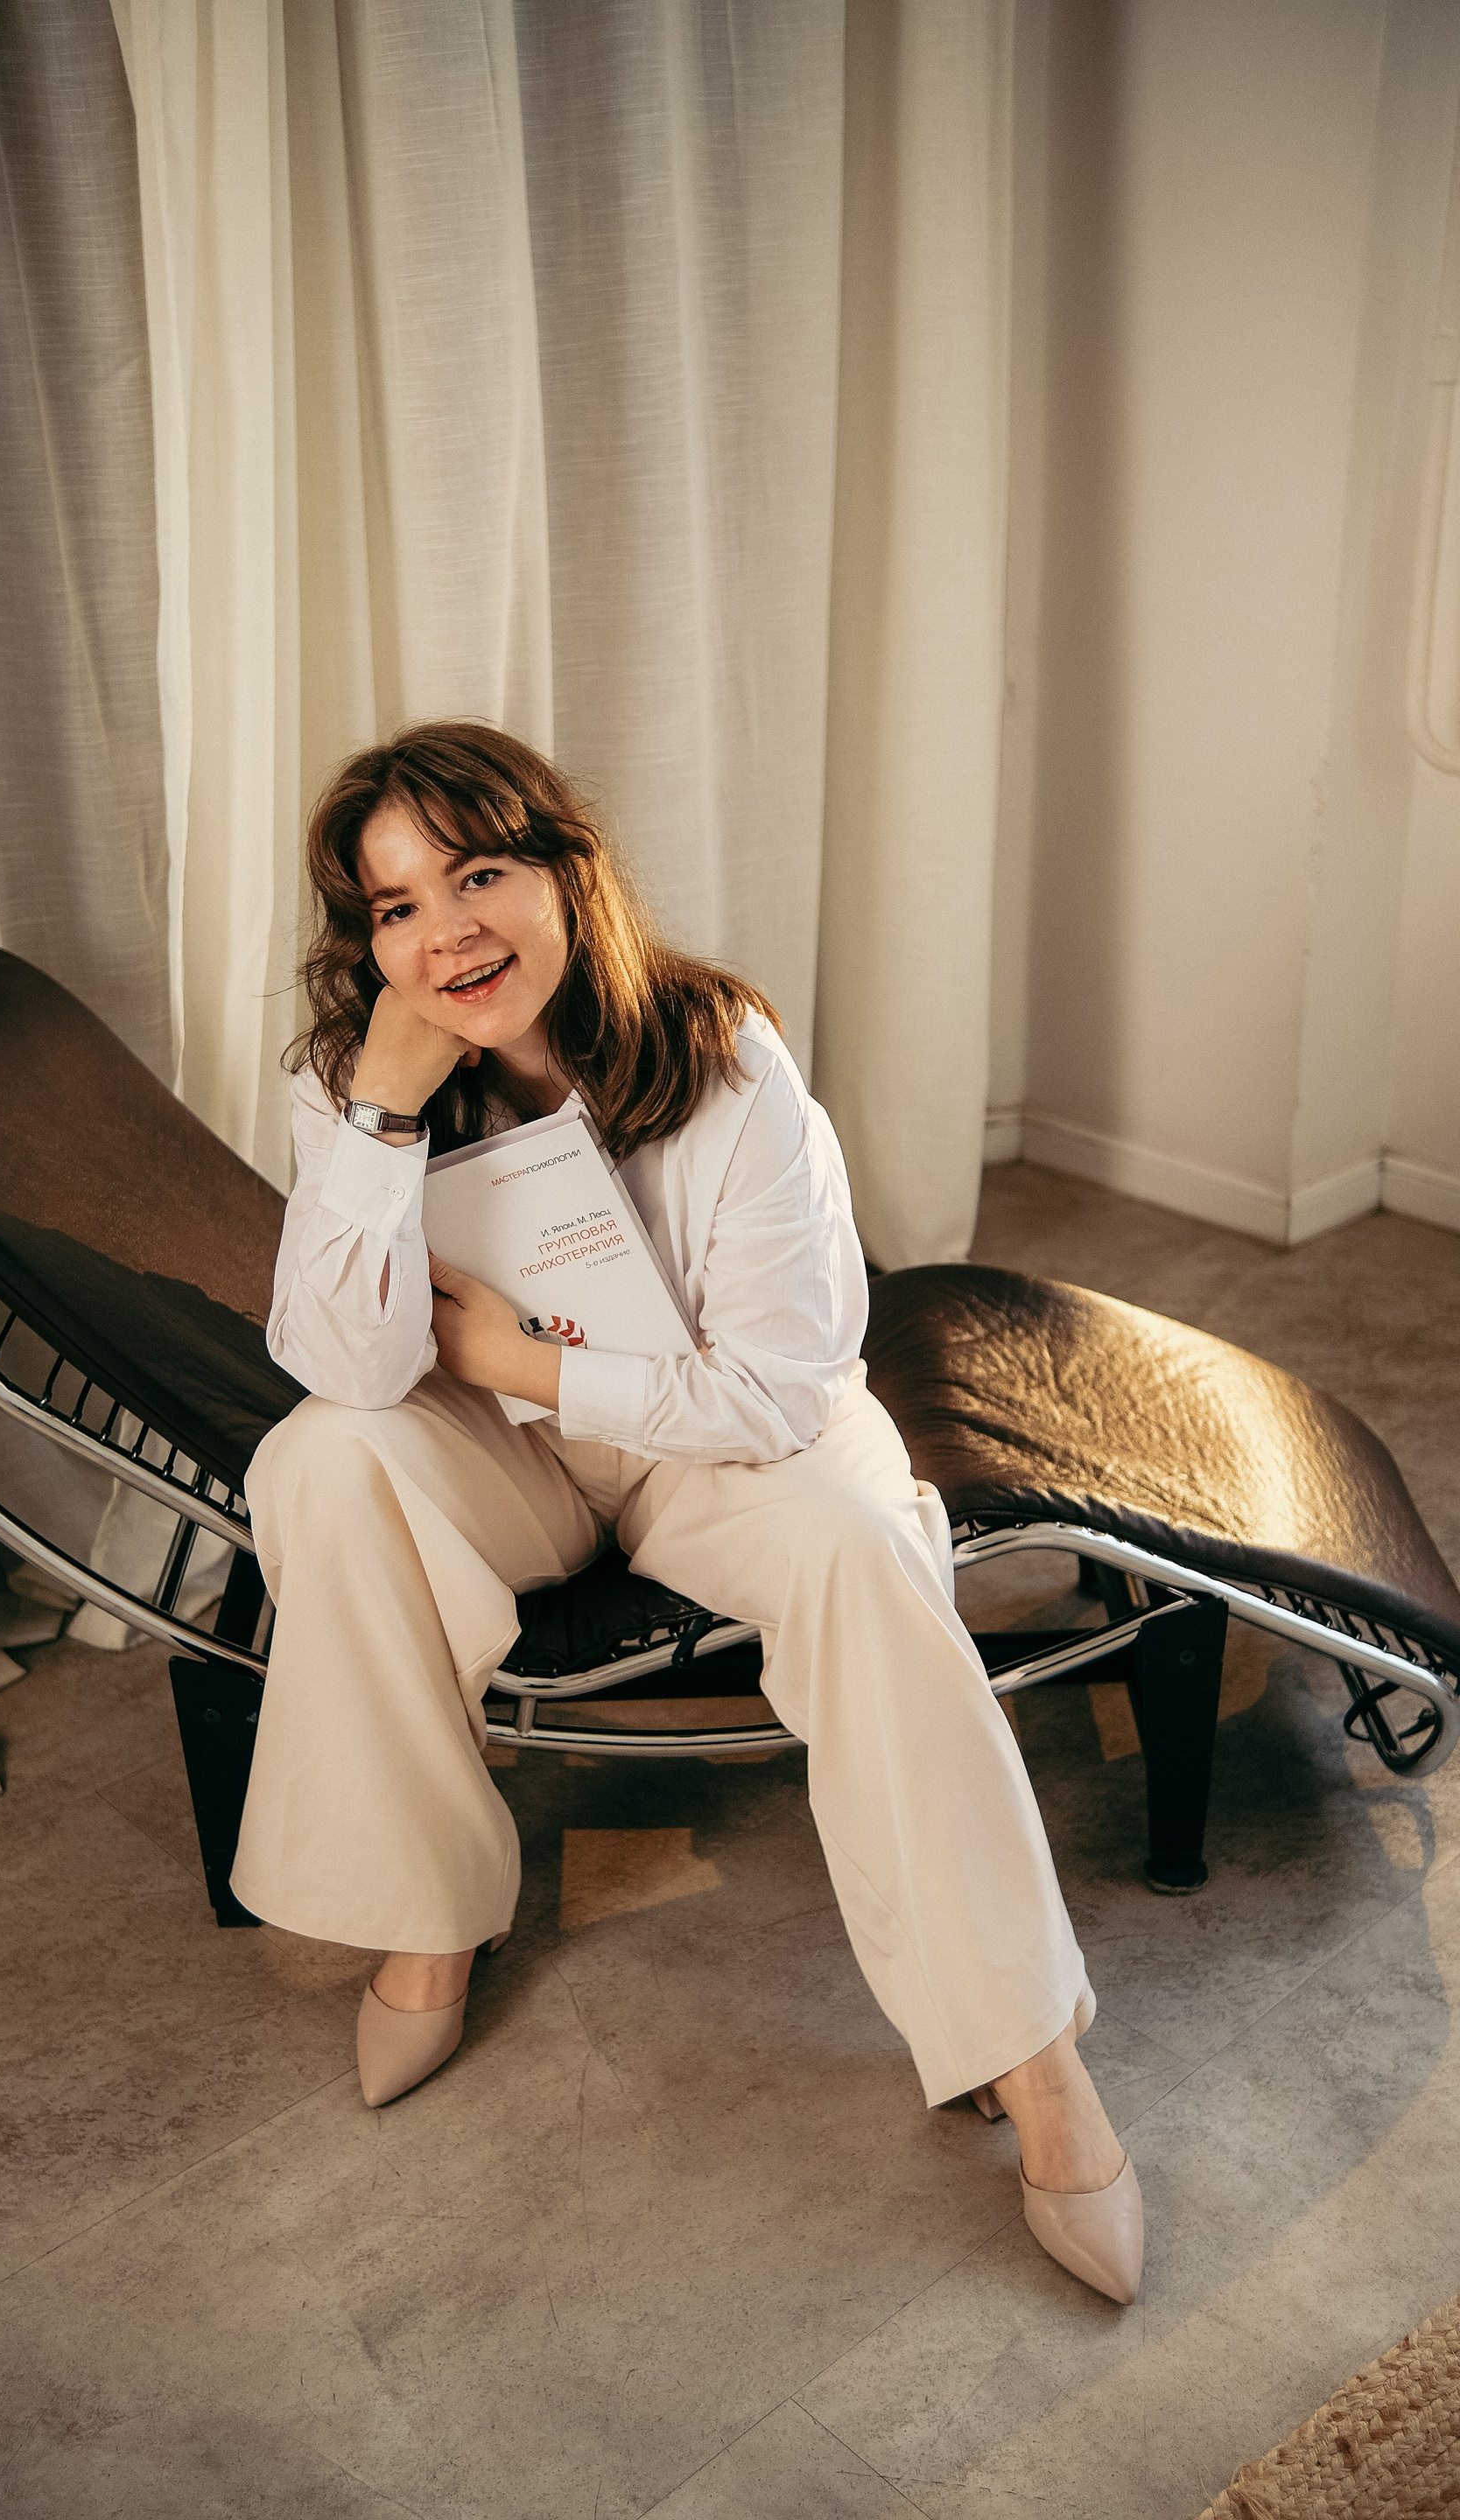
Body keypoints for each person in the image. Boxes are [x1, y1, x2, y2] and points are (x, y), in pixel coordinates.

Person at [232, 721, 1143, 2305]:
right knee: (319, 1459)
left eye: (478, 875)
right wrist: (382, 1119)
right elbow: (345, 1368)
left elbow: (781, 1390)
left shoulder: (725, 1059)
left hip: (722, 1444)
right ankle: (428, 1919)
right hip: (504, 1457)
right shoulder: (354, 1081)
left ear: (565, 874)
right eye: (395, 907)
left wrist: (517, 1358)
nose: (446, 933)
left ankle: (1031, 2053)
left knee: (868, 1552)